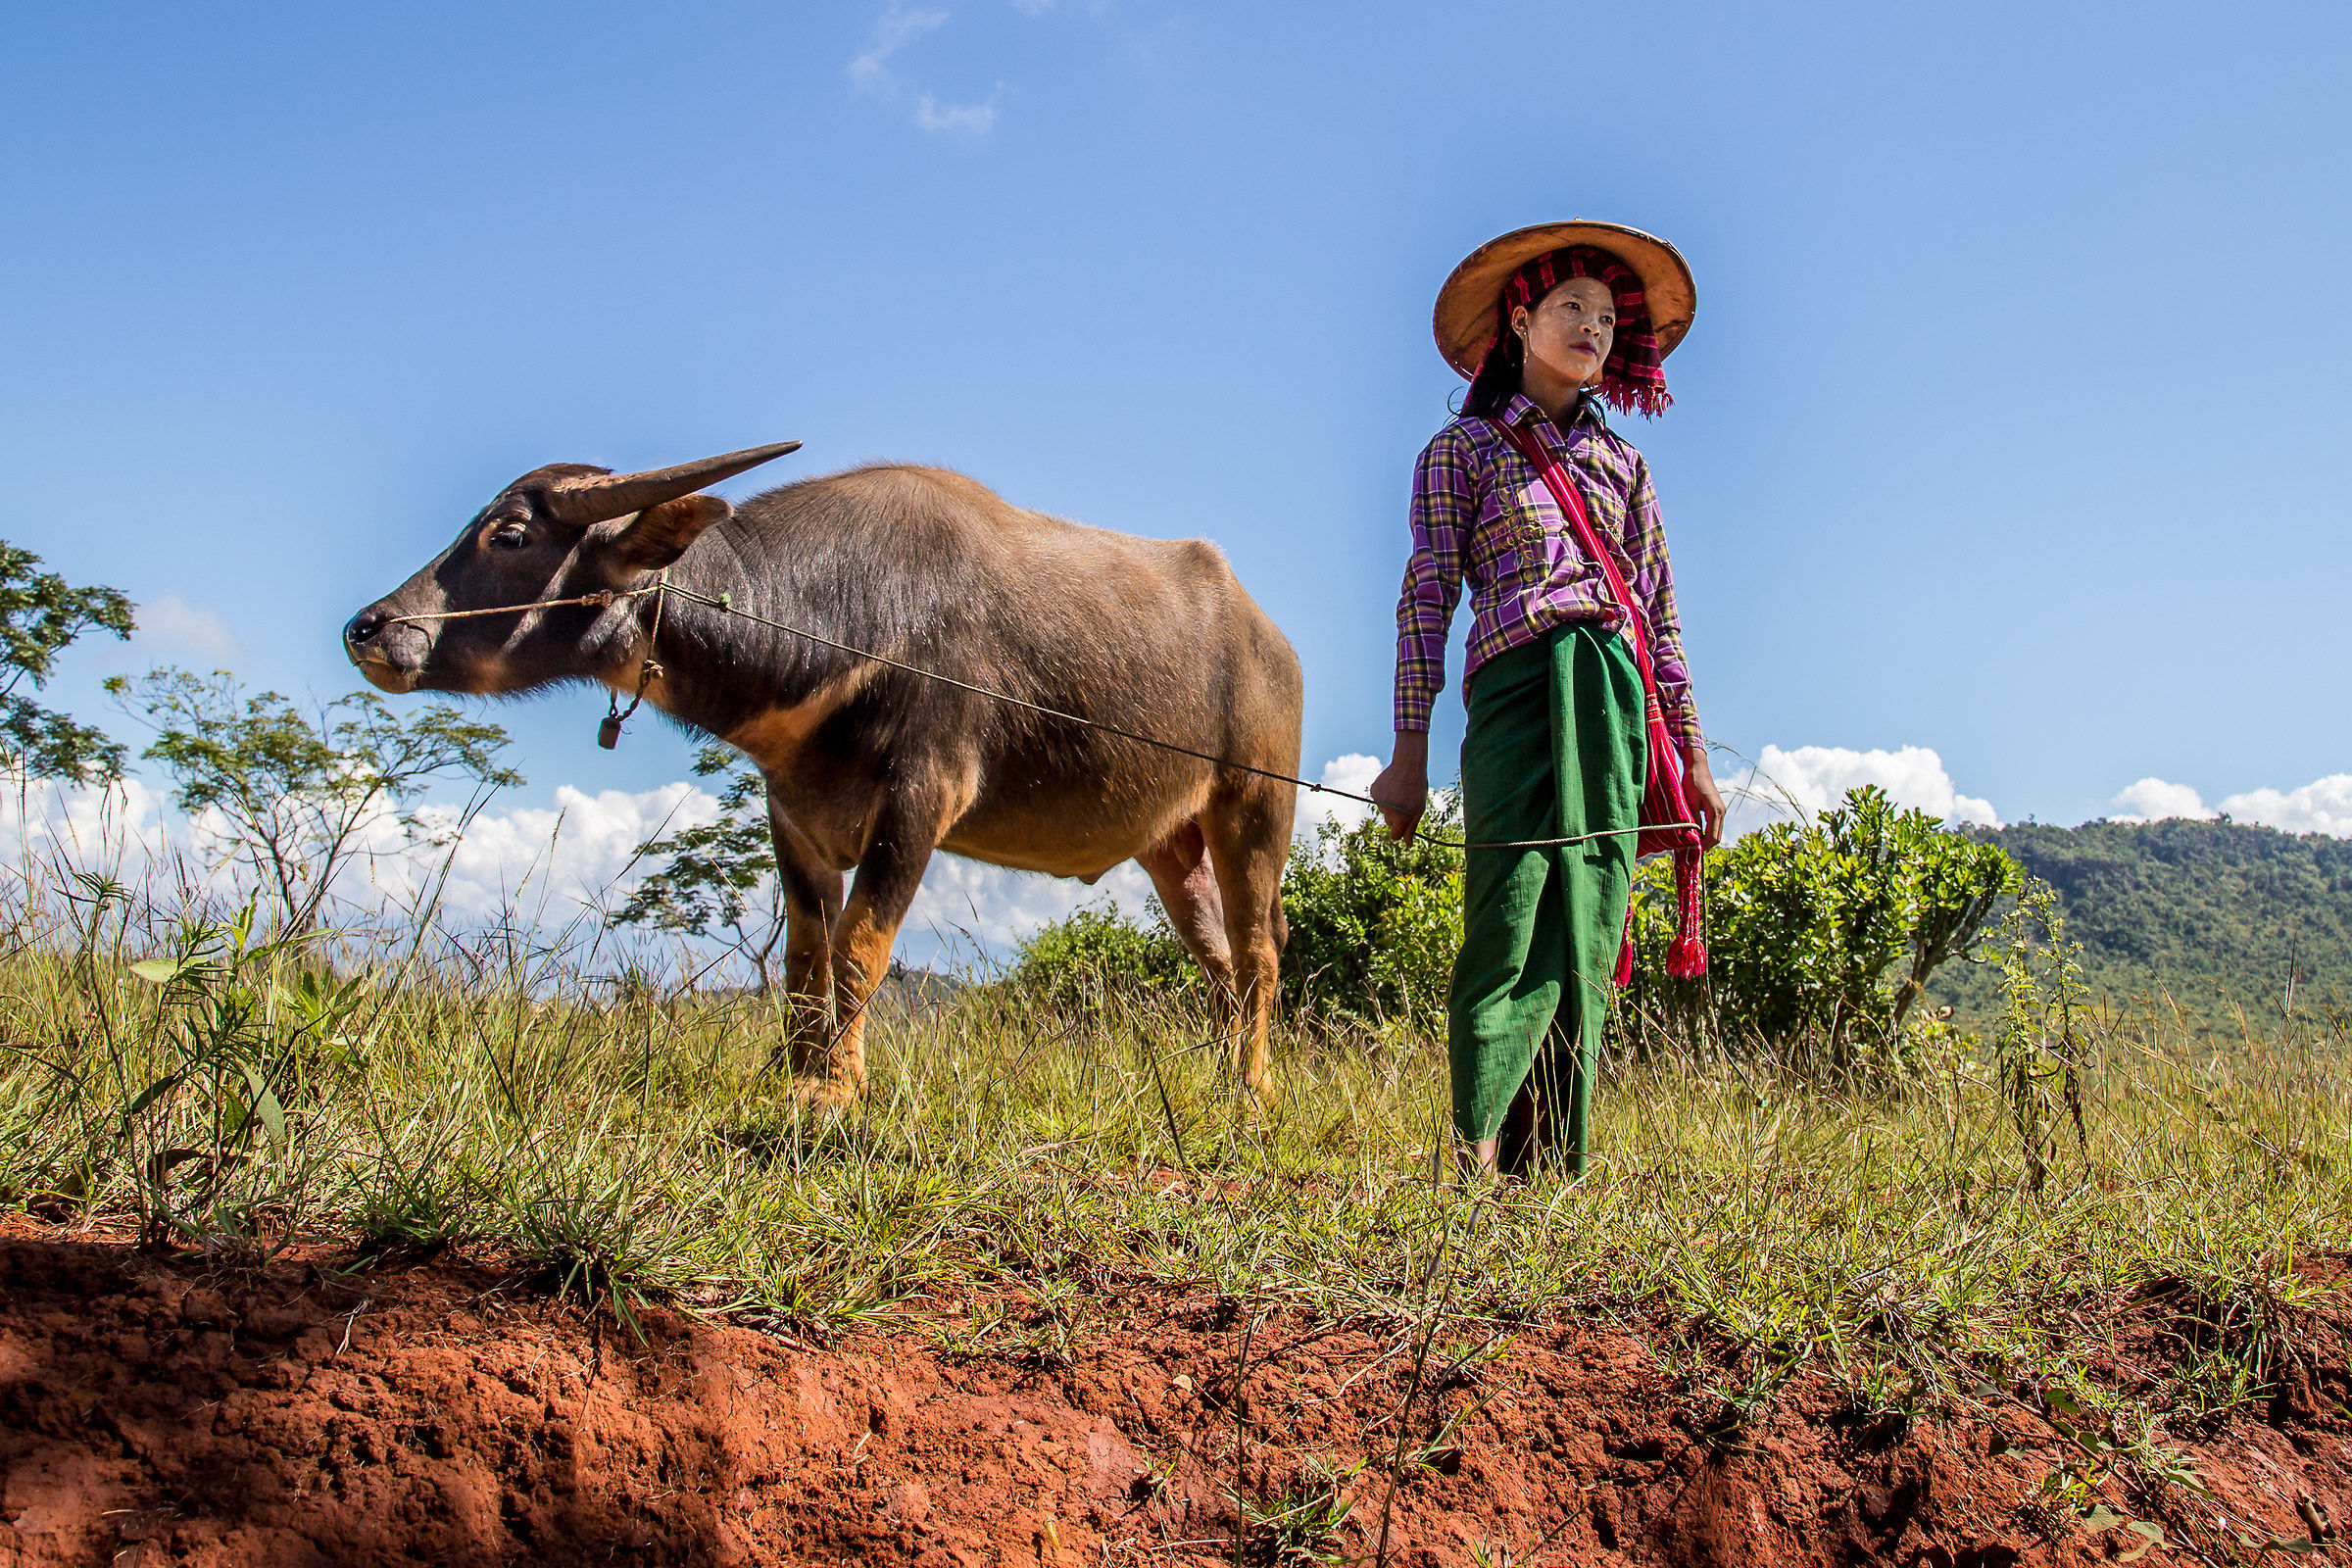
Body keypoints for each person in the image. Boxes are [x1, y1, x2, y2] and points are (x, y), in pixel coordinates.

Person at [1369, 221, 1726, 1179]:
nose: (1592, 327)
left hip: (1614, 701)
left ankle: (1546, 1173)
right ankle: (1473, 1149)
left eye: (1608, 317)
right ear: (1520, 320)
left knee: (1588, 925)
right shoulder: (1465, 451)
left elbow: (1660, 616)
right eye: (1571, 306)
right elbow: (1427, 597)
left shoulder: (1626, 469)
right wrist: (1409, 751)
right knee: (1510, 912)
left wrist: (1690, 755)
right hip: (1519, 689)